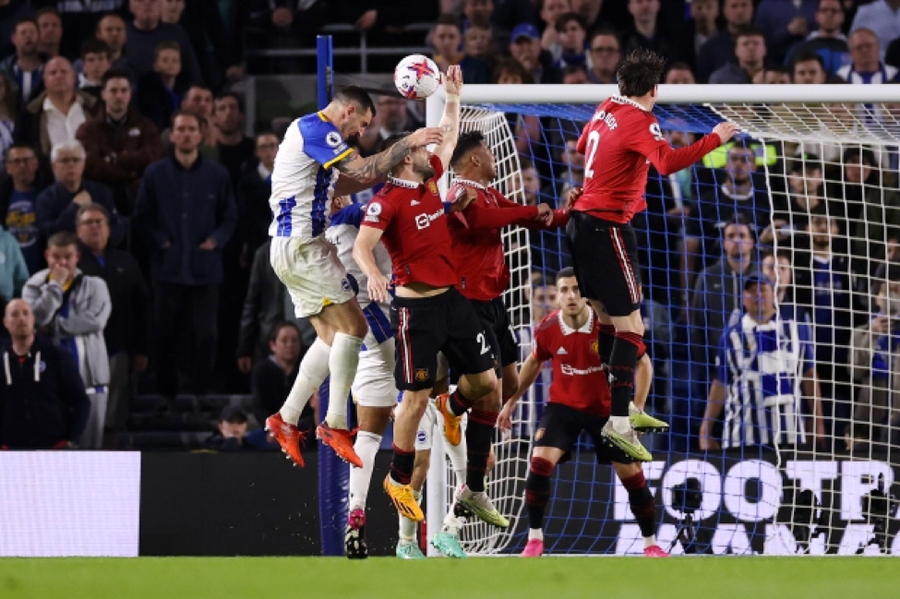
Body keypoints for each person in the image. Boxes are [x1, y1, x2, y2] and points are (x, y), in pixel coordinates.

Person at [566, 48, 739, 462]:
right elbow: (665, 163)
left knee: (609, 323)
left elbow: (581, 144)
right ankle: (620, 420)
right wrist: (716, 137)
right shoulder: (642, 119)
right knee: (634, 329)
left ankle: (624, 407)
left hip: (580, 225)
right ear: (654, 90)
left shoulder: (607, 106)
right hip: (607, 228)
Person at [353, 66, 505, 528]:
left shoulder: (430, 181)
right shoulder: (388, 200)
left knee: (487, 386)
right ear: (404, 159)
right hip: (414, 311)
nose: (430, 151)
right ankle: (399, 480)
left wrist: (454, 96)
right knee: (412, 399)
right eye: (421, 148)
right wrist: (374, 273)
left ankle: (456, 420)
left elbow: (451, 135)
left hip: (452, 301)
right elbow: (362, 245)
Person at [263, 83, 441, 469]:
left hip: (294, 246)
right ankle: (335, 423)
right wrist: (407, 142)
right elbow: (361, 169)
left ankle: (286, 418)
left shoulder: (309, 133)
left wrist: (348, 186)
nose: (361, 132)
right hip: (303, 248)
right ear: (347, 112)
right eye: (361, 124)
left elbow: (350, 179)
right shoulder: (317, 129)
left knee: (331, 338)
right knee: (354, 328)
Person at [500, 268, 667, 558]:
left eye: (576, 289)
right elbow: (533, 361)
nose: (570, 296)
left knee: (633, 478)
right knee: (538, 464)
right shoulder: (548, 327)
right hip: (563, 408)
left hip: (606, 410)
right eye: (563, 290)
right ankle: (535, 540)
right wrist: (511, 401)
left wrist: (636, 409)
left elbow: (644, 364)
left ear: (587, 295)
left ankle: (650, 543)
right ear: (556, 297)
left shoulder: (608, 327)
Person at [22, 231, 111, 449]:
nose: (62, 262)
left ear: (77, 257)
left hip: (91, 380)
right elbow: (37, 317)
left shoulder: (96, 285)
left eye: (67, 257)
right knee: (54, 449)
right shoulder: (32, 287)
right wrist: (55, 286)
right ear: (46, 256)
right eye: (56, 257)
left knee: (91, 449)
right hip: (48, 384)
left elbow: (95, 321)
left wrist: (52, 328)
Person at [0, 299, 90, 449]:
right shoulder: (2, 361)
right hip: (10, 452)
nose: (21, 318)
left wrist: (71, 439)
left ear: (33, 319)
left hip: (54, 448)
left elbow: (81, 401)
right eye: (14, 315)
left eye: (25, 313)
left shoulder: (57, 355)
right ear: (5, 322)